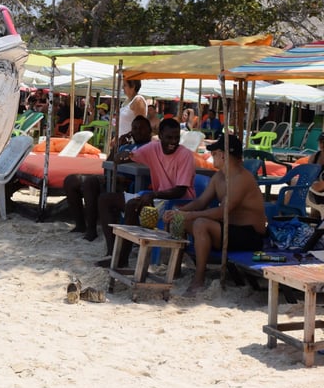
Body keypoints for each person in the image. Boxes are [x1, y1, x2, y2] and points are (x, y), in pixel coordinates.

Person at [164, 134, 266, 294]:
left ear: (224, 155)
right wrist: (178, 212)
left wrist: (189, 215)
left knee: (200, 223)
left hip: (249, 234)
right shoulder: (219, 177)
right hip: (228, 229)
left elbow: (221, 212)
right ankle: (174, 270)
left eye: (214, 154)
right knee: (180, 220)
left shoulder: (241, 178)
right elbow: (201, 202)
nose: (212, 157)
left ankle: (199, 279)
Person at [96, 117, 196, 266]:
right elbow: (125, 158)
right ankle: (113, 252)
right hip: (157, 199)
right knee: (106, 199)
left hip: (177, 204)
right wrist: (121, 152)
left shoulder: (185, 155)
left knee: (132, 205)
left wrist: (153, 194)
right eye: (169, 137)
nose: (173, 141)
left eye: (176, 137)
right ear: (160, 135)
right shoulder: (152, 148)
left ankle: (121, 259)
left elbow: (180, 191)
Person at [64, 116, 152, 241]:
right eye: (135, 128)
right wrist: (117, 146)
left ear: (150, 131)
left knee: (90, 183)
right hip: (113, 178)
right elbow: (108, 166)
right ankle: (80, 225)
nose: (137, 131)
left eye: (141, 128)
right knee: (71, 180)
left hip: (129, 183)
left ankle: (91, 230)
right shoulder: (125, 146)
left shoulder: (151, 148)